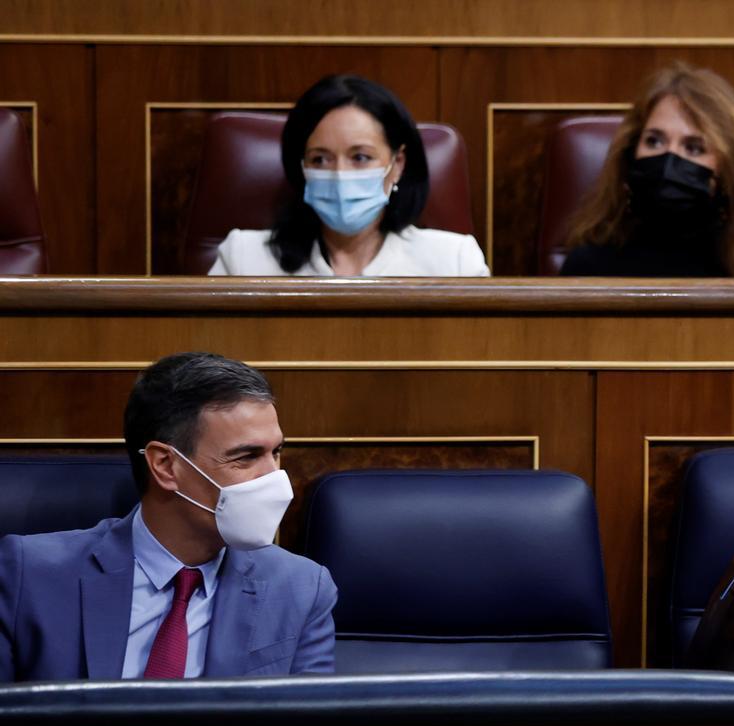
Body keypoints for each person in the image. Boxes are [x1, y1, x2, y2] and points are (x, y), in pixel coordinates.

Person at [0, 352, 337, 681]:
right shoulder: (29, 576)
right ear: (165, 465)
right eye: (245, 457)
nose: (274, 477)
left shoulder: (301, 588)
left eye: (275, 453)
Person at [210, 74, 488, 277]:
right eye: (320, 159)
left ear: (398, 163)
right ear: (301, 167)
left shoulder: (454, 262)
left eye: (360, 157)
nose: (340, 174)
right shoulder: (243, 258)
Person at [561, 63, 734, 277]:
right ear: (630, 153)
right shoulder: (589, 266)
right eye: (654, 141)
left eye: (694, 148)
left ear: (731, 170)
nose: (669, 160)